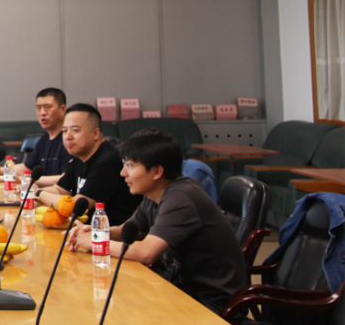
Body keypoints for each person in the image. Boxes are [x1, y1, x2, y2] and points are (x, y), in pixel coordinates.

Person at [68, 129, 245, 313]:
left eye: (130, 166)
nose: (122, 173)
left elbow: (146, 253)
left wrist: (96, 242)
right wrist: (94, 232)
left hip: (209, 302)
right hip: (179, 288)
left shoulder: (181, 197)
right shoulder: (155, 194)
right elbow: (128, 231)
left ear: (156, 171)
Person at [36, 103, 141, 224]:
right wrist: (32, 190)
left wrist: (38, 193)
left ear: (95, 134)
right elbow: (60, 190)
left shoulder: (107, 162)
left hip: (108, 233)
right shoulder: (80, 156)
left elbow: (73, 208)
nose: (68, 137)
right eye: (64, 131)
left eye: (75, 130)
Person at [0, 87, 71, 187]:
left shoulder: (69, 140)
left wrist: (29, 179)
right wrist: (0, 170)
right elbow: (27, 166)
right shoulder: (43, 141)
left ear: (62, 109)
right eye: (38, 108)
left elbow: (67, 179)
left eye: (48, 107)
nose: (42, 112)